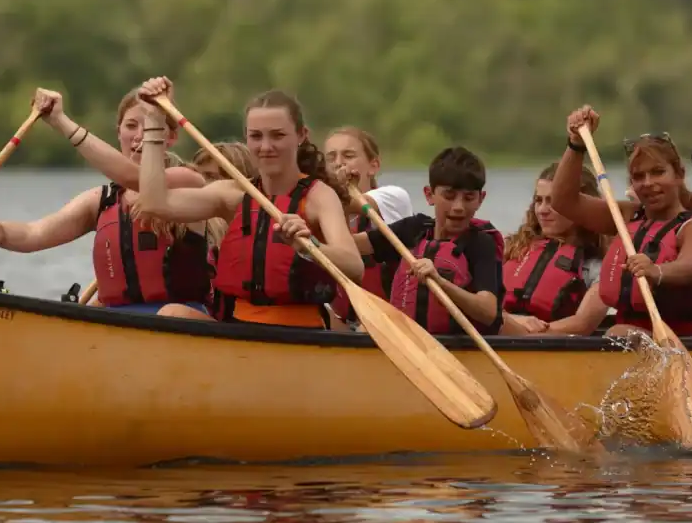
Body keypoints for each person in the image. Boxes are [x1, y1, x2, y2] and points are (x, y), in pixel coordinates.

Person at [0, 87, 213, 315]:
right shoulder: (101, 201)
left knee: (169, 314)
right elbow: (33, 234)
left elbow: (135, 178)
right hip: (118, 325)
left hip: (180, 320)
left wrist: (61, 121)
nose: (140, 135)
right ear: (118, 132)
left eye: (150, 126)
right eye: (131, 126)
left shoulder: (188, 181)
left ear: (171, 137)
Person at [130, 78, 364, 327]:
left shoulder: (319, 196)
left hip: (299, 330)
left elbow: (354, 266)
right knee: (172, 313)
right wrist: (154, 120)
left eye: (278, 135)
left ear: (301, 136)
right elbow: (155, 203)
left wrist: (309, 246)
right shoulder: (233, 195)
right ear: (247, 139)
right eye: (256, 136)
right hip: (240, 327)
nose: (265, 147)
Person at [550, 108, 692, 339]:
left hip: (680, 342)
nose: (648, 183)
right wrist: (576, 144)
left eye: (658, 172)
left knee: (619, 332)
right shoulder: (628, 217)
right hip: (627, 337)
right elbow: (563, 201)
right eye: (639, 177)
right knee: (617, 332)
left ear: (678, 175)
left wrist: (656, 270)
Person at [356, 147, 505, 335]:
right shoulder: (412, 230)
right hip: (408, 342)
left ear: (480, 199)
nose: (458, 207)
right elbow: (349, 247)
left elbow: (488, 311)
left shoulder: (481, 244)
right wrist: (340, 192)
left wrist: (440, 282)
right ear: (429, 195)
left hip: (458, 347)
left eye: (468, 198)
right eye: (449, 196)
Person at [500, 163, 608, 336]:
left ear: (582, 205)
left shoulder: (599, 266)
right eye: (539, 200)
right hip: (501, 332)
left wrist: (524, 331)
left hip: (549, 344)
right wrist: (517, 322)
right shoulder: (511, 247)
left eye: (554, 201)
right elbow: (485, 307)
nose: (542, 210)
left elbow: (582, 324)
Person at [324, 127, 414, 326]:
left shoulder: (393, 197)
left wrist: (328, 188)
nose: (339, 163)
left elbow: (348, 205)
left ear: (373, 166)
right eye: (331, 158)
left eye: (348, 155)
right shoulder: (320, 209)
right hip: (346, 323)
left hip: (393, 321)